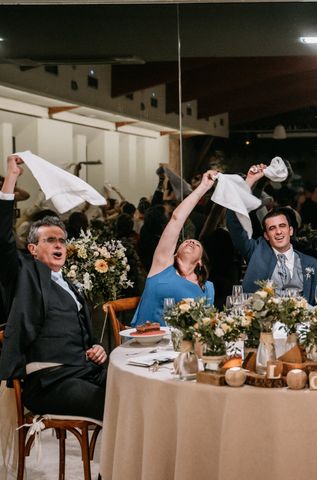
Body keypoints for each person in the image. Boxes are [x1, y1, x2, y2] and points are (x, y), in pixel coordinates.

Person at [0, 154, 107, 420]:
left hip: (83, 370)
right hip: (48, 381)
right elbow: (2, 238)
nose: (59, 244)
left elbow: (84, 334)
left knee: (133, 387)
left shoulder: (71, 285)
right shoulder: (24, 272)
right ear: (33, 249)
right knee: (113, 402)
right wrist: (11, 178)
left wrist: (98, 348)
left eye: (61, 240)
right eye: (50, 240)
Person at [226, 164, 317, 304]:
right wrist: (249, 181)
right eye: (272, 228)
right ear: (266, 235)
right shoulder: (256, 251)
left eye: (282, 226)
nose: (278, 231)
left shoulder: (315, 266)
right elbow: (234, 221)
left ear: (291, 231)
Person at [131, 170, 218, 326]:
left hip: (185, 344)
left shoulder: (207, 288)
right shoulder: (162, 265)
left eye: (196, 244)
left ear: (200, 262)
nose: (190, 242)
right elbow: (177, 219)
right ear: (175, 253)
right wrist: (203, 187)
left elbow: (206, 325)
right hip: (147, 342)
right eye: (186, 242)